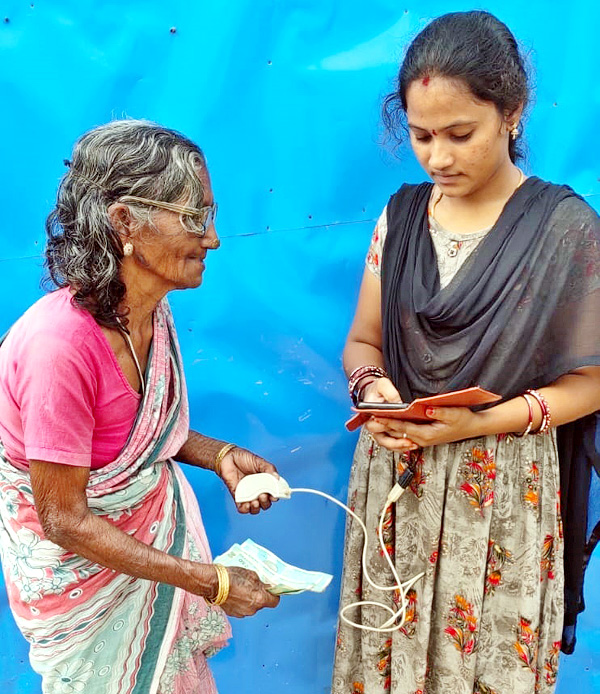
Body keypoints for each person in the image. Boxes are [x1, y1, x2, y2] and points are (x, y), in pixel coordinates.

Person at [332, 11, 600, 694]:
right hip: (396, 483)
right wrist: (374, 392)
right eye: (421, 136)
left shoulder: (565, 228)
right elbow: (363, 340)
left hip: (501, 489)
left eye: (460, 134)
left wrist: (479, 422)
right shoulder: (399, 216)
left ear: (512, 113)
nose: (439, 157)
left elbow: (593, 381)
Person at [0, 120, 280, 694]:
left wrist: (220, 455)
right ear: (125, 220)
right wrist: (210, 582)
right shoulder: (60, 348)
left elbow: (138, 434)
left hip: (141, 571)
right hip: (86, 597)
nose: (213, 239)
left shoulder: (150, 313)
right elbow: (65, 518)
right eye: (194, 218)